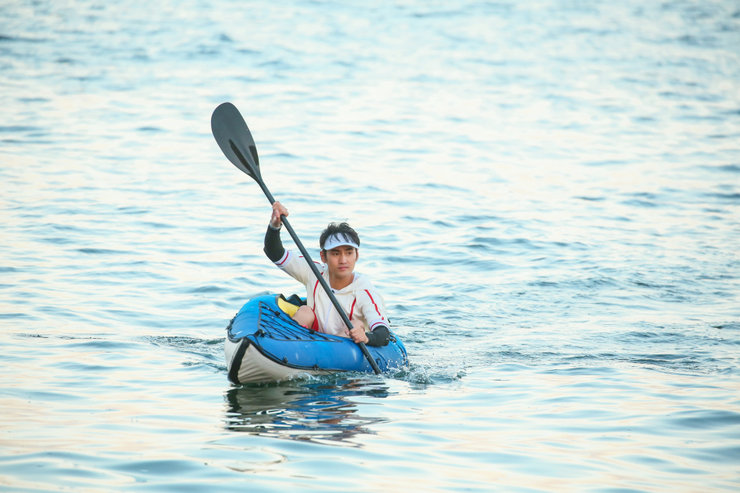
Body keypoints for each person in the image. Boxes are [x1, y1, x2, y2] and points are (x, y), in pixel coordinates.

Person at [263, 201, 390, 347]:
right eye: (336, 253)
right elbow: (274, 253)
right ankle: (288, 347)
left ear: (356, 255)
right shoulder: (314, 271)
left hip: (346, 347)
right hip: (313, 338)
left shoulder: (364, 289)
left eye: (349, 253)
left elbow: (383, 334)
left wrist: (367, 337)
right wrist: (275, 225)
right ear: (323, 256)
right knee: (305, 311)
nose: (343, 260)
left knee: (356, 324)